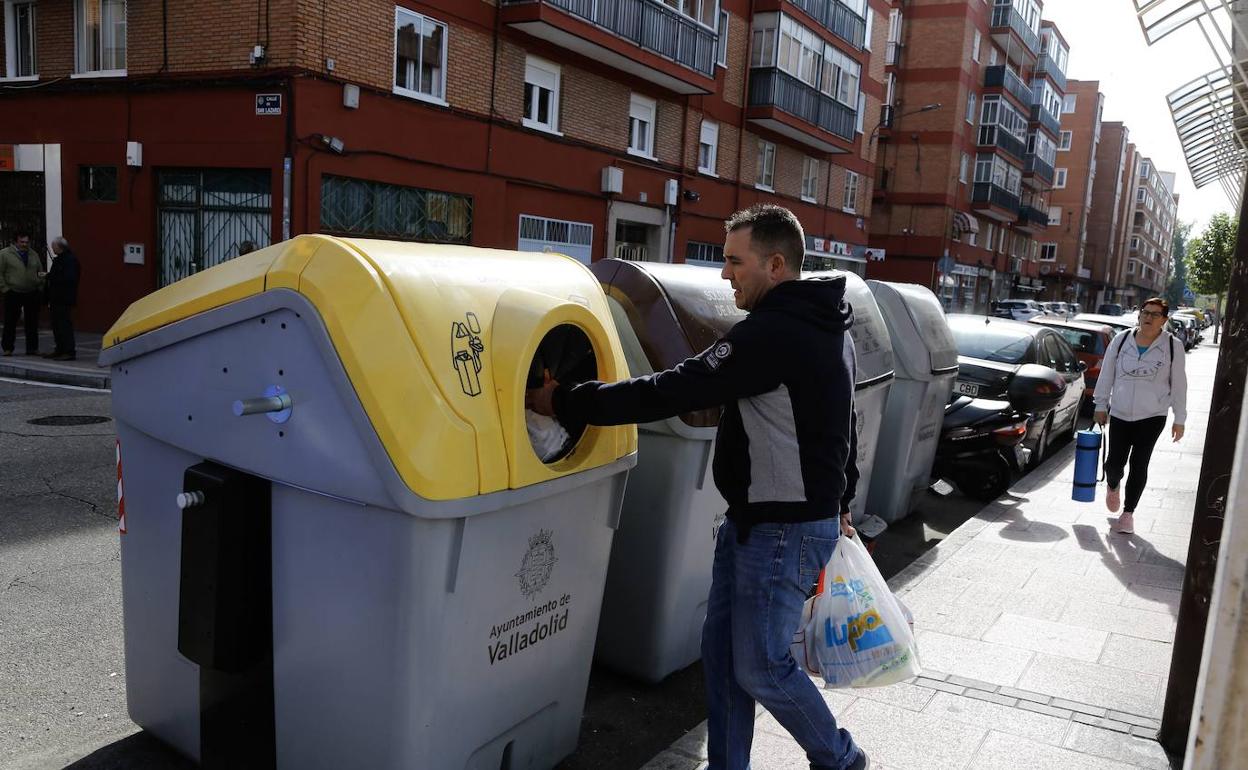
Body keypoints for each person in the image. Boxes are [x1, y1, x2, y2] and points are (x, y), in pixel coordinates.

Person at [527, 204, 867, 770]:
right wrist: (845, 500)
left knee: (761, 666)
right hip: (762, 522)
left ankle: (839, 757)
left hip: (780, 529)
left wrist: (566, 401)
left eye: (735, 261)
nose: (725, 273)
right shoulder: (829, 323)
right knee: (723, 654)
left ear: (775, 264)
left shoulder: (772, 334)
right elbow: (845, 424)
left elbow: (671, 391)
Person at [1093, 297, 1187, 534]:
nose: (1148, 317)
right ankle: (1113, 485)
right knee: (1114, 464)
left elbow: (1179, 385)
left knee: (1139, 463)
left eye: (1155, 314)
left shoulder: (1173, 346)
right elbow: (1106, 375)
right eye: (1145, 312)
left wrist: (1180, 418)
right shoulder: (1121, 339)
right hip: (1121, 412)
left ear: (1164, 320)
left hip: (1153, 415)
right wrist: (1100, 405)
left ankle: (1128, 514)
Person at [0, 230, 46, 357]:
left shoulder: (33, 254)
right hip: (13, 291)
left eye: (27, 242)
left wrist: (40, 285)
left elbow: (40, 270)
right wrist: (5, 288)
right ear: (16, 241)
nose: (25, 244)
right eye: (22, 242)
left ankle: (32, 348)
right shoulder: (5, 254)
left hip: (31, 292)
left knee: (32, 322)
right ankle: (8, 348)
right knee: (10, 322)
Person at [43, 237, 81, 361]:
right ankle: (60, 349)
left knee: (64, 325)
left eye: (54, 246)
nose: (52, 248)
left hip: (63, 298)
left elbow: (68, 279)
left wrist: (51, 277)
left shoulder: (69, 260)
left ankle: (69, 351)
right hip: (56, 297)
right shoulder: (61, 259)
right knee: (56, 325)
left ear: (59, 247)